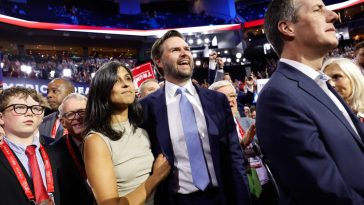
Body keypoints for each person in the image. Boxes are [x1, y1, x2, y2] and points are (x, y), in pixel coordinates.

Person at [257, 0, 364, 204]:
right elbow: (323, 190)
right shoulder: (278, 97)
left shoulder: (320, 84)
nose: (333, 15)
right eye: (318, 9)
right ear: (288, 28)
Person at [140, 30, 251, 205]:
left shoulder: (217, 100)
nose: (184, 53)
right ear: (159, 61)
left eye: (187, 49)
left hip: (221, 198)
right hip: (175, 200)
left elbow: (234, 157)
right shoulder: (146, 107)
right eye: (175, 50)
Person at [83, 61, 170, 205]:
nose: (126, 84)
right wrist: (156, 177)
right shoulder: (96, 140)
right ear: (102, 90)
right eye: (116, 81)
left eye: (128, 78)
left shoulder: (142, 131)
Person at [209, 80, 277, 205]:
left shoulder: (249, 123)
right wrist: (241, 145)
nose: (231, 100)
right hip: (240, 192)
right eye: (224, 97)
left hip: (266, 185)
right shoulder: (211, 132)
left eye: (233, 95)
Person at [0, 87, 70, 204]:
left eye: (36, 108)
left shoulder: (59, 154)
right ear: (1, 117)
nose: (30, 113)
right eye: (20, 108)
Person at [51, 93, 95, 204]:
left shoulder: (107, 139)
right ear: (63, 122)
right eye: (70, 114)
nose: (77, 118)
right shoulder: (54, 152)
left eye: (82, 112)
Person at [322, 57, 364, 122]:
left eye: (337, 77)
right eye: (325, 80)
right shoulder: (323, 116)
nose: (330, 84)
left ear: (354, 78)